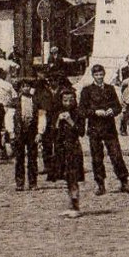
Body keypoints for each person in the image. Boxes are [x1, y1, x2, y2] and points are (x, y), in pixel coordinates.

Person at [78, 63, 129, 194]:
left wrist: (112, 111)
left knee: (116, 155)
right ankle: (100, 184)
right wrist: (95, 112)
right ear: (93, 76)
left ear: (104, 75)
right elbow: (82, 110)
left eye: (101, 75)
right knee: (97, 157)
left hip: (109, 128)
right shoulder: (87, 91)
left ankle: (124, 182)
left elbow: (118, 107)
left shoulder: (110, 89)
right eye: (96, 75)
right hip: (95, 128)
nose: (99, 77)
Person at [47, 88, 86, 218]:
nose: (68, 103)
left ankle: (76, 206)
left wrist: (70, 121)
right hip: (60, 149)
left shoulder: (78, 113)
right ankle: (70, 206)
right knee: (66, 178)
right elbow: (52, 132)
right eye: (65, 100)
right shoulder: (57, 112)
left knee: (73, 178)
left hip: (73, 148)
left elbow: (81, 132)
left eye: (71, 100)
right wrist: (58, 120)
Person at [11, 76, 41, 191]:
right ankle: (19, 183)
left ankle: (33, 182)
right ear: (20, 88)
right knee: (19, 158)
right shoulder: (15, 102)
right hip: (19, 132)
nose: (26, 88)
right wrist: (11, 132)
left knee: (32, 157)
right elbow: (9, 117)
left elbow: (41, 116)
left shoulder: (35, 100)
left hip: (32, 132)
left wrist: (40, 132)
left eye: (28, 86)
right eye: (23, 86)